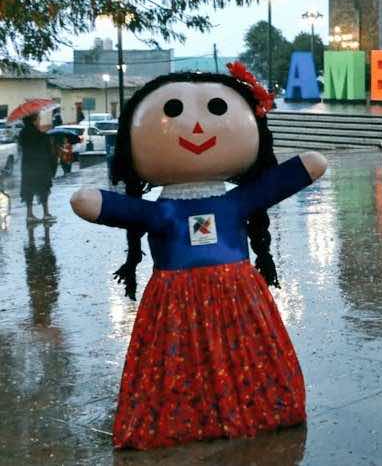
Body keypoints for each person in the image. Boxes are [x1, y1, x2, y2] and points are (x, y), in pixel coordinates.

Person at [70, 63, 329, 450]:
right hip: (198, 294)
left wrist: (303, 168)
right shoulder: (168, 211)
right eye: (173, 112)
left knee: (197, 356)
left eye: (216, 112)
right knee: (207, 352)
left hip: (221, 291)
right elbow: (113, 208)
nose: (195, 128)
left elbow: (289, 177)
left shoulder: (232, 202)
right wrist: (97, 202)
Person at [18, 112, 56, 224]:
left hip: (27, 167)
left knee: (28, 190)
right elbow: (49, 152)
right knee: (44, 189)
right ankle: (46, 214)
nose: (39, 120)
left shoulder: (22, 134)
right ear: (34, 120)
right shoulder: (42, 136)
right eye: (38, 118)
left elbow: (22, 147)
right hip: (41, 167)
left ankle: (29, 215)